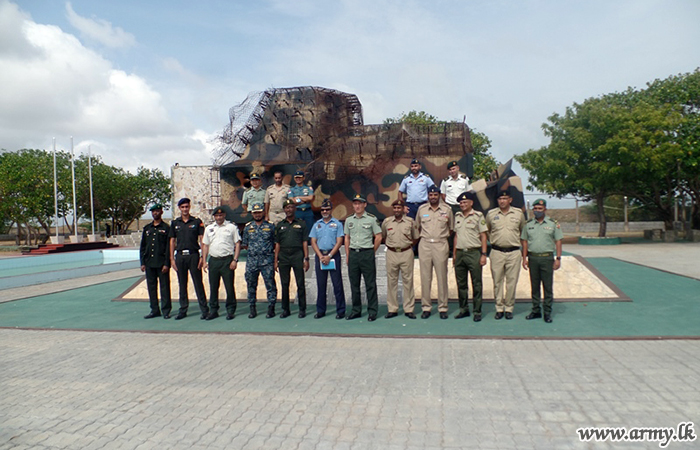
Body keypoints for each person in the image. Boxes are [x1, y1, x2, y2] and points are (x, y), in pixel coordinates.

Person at [485, 189, 527, 320]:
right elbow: (487, 231)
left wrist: (524, 255)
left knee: (511, 282)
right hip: (496, 252)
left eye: (505, 199)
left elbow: (523, 233)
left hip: (514, 252)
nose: (502, 201)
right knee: (497, 282)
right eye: (500, 199)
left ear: (510, 200)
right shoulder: (491, 214)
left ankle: (509, 308)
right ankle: (499, 308)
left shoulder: (519, 214)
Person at [521, 199, 563, 323]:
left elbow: (558, 241)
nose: (537, 211)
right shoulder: (528, 224)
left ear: (545, 209)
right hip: (533, 258)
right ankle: (536, 310)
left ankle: (547, 312)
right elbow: (524, 241)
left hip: (547, 258)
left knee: (547, 287)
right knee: (535, 287)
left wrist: (558, 258)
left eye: (540, 208)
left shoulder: (552, 224)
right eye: (535, 209)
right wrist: (524, 258)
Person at [416, 185, 454, 319]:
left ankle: (443, 308)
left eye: (435, 195)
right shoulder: (421, 209)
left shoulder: (447, 209)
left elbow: (451, 228)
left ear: (439, 195)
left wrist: (440, 238)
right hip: (425, 244)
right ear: (428, 196)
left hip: (440, 244)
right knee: (425, 277)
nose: (433, 197)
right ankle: (426, 307)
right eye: (430, 195)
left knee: (442, 277)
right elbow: (417, 227)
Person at [344, 194, 382, 321]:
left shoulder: (371, 219)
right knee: (354, 285)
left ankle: (372, 311)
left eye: (360, 203)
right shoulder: (349, 220)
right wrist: (348, 255)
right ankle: (356, 310)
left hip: (367, 253)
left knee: (370, 284)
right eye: (355, 203)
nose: (357, 206)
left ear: (365, 204)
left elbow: (378, 236)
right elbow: (347, 238)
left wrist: (372, 251)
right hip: (353, 253)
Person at [169, 198, 208, 320]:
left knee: (198, 283)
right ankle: (183, 310)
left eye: (187, 207)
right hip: (180, 256)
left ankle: (204, 310)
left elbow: (202, 240)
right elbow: (171, 241)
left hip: (193, 256)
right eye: (183, 207)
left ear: (189, 207)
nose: (185, 209)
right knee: (182, 284)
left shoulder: (196, 222)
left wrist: (203, 256)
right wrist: (172, 259)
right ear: (179, 208)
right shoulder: (175, 223)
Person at [452, 192, 488, 322]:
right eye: (461, 203)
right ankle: (464, 309)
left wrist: (483, 254)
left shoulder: (478, 216)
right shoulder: (457, 216)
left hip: (474, 253)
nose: (462, 204)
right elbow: (456, 236)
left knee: (476, 283)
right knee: (461, 284)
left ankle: (477, 311)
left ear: (471, 203)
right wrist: (454, 254)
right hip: (460, 253)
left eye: (465, 202)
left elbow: (484, 236)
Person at [381, 199, 419, 319]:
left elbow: (415, 237)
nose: (397, 210)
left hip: (406, 252)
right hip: (392, 253)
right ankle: (392, 309)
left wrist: (407, 246)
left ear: (403, 209)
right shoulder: (387, 222)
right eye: (395, 208)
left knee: (408, 281)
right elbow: (383, 236)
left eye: (399, 208)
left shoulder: (410, 222)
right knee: (392, 282)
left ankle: (409, 309)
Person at [309, 199, 346, 319]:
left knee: (337, 285)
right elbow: (313, 241)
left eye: (327, 209)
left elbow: (339, 241)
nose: (325, 211)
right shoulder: (316, 224)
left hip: (333, 255)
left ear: (331, 210)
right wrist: (320, 256)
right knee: (321, 285)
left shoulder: (338, 224)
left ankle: (340, 311)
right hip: (320, 256)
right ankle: (321, 310)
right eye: (323, 210)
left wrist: (329, 256)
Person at [202, 206, 241, 321]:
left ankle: (230, 310)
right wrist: (204, 261)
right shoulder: (209, 228)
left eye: (221, 215)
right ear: (214, 216)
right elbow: (205, 245)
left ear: (224, 215)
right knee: (213, 287)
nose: (219, 217)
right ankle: (213, 310)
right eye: (217, 215)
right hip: (213, 260)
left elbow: (237, 243)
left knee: (229, 286)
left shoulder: (231, 227)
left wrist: (235, 260)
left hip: (227, 260)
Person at [241, 202, 277, 318]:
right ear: (252, 213)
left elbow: (275, 243)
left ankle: (271, 307)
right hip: (252, 261)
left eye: (259, 212)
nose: (257, 215)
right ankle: (252, 308)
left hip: (267, 261)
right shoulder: (248, 227)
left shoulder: (270, 226)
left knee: (270, 284)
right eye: (255, 213)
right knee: (251, 284)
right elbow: (245, 244)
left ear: (263, 212)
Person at [274, 199, 309, 318]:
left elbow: (305, 242)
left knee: (300, 283)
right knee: (284, 284)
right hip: (283, 256)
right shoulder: (280, 225)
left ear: (295, 209)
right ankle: (285, 309)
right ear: (284, 210)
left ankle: (302, 309)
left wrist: (306, 258)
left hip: (297, 255)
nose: (289, 210)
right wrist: (275, 260)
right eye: (287, 207)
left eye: (291, 207)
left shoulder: (301, 224)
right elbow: (277, 244)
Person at [140, 204, 171, 319]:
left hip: (161, 262)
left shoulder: (166, 228)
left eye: (157, 211)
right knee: (151, 288)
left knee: (164, 287)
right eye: (153, 212)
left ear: (161, 212)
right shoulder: (147, 228)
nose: (155, 213)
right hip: (149, 262)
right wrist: (142, 262)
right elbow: (143, 247)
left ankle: (166, 310)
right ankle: (154, 310)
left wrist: (167, 263)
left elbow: (168, 247)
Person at [287, 170, 314, 240]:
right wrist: (304, 200)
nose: (298, 179)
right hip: (297, 212)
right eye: (296, 178)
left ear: (303, 178)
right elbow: (292, 201)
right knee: (297, 230)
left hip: (308, 212)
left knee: (310, 230)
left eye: (300, 177)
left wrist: (298, 198)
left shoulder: (308, 188)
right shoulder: (291, 189)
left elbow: (310, 198)